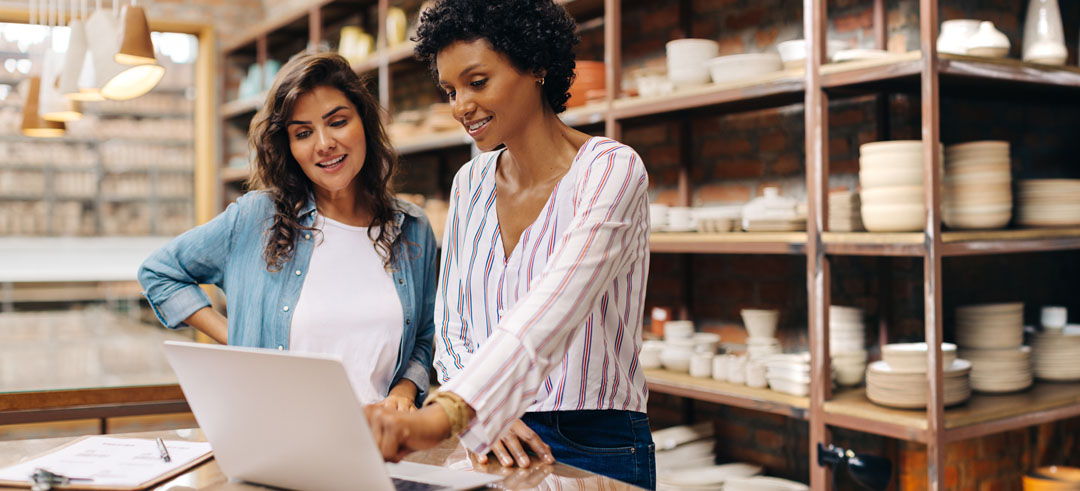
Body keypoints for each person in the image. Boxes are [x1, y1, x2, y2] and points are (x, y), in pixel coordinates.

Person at [363, 1, 655, 488]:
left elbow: (554, 307)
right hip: (484, 439)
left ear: (536, 65)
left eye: (477, 83)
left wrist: (454, 411)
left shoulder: (611, 170)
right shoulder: (469, 183)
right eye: (450, 90)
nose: (460, 106)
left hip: (594, 441)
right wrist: (483, 416)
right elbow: (452, 323)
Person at [139, 53, 438, 411]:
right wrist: (237, 342)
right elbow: (159, 273)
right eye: (303, 133)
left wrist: (404, 391)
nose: (324, 143)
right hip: (278, 443)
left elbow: (423, 335)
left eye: (338, 121)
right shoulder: (258, 218)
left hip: (384, 449)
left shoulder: (412, 228)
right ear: (290, 147)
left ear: (364, 122)